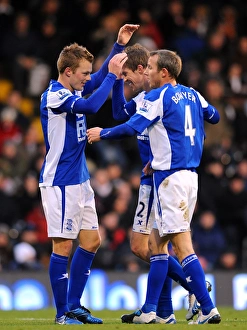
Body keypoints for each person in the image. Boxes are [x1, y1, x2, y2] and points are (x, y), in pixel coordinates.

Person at [87, 49, 221, 324]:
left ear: (163, 72)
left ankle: (203, 301)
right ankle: (158, 310)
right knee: (155, 244)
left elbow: (131, 126)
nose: (145, 72)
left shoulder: (157, 97)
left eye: (148, 67)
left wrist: (102, 133)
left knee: (178, 246)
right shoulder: (192, 94)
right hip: (180, 175)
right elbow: (214, 115)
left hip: (168, 178)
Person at [39, 24, 139, 325]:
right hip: (60, 183)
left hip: (80, 180)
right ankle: (61, 315)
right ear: (68, 71)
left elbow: (96, 82)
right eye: (83, 73)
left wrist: (119, 47)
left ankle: (74, 305)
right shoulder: (54, 96)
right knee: (63, 246)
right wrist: (112, 75)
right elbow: (93, 102)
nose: (87, 77)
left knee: (92, 241)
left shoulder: (74, 87)